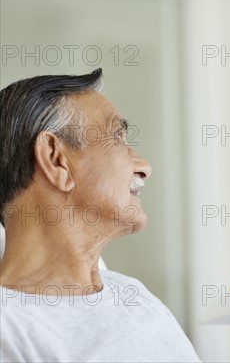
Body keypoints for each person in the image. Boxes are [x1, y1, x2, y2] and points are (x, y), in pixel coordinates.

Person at [0, 69, 201, 362]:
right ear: (56, 160)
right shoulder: (10, 327)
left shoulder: (133, 293)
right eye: (118, 138)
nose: (144, 166)